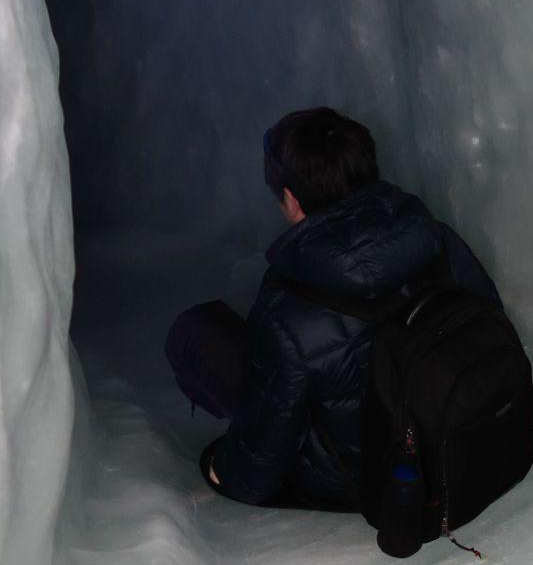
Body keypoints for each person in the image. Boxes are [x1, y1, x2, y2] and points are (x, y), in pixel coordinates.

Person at [164, 107, 502, 510]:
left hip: (369, 479)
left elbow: (258, 474)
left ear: (290, 200)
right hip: (462, 441)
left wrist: (226, 470)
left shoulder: (288, 308)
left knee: (203, 333)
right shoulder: (435, 238)